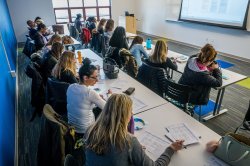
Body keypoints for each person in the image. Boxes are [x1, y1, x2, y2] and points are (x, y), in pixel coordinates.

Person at [85, 93, 184, 166]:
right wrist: (171, 149)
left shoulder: (90, 130)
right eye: (130, 111)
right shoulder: (128, 141)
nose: (132, 114)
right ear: (123, 116)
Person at [67, 59, 111, 136]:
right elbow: (109, 107)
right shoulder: (90, 93)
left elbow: (81, 103)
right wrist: (110, 96)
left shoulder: (70, 87)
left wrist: (96, 99)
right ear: (85, 78)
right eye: (95, 77)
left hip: (72, 127)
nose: (97, 80)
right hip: (86, 131)